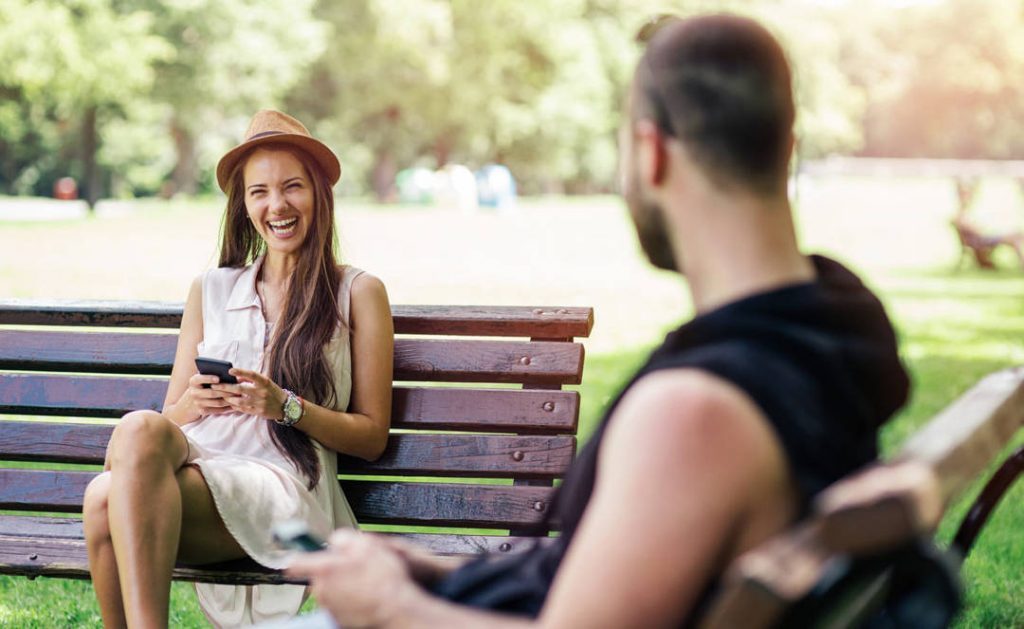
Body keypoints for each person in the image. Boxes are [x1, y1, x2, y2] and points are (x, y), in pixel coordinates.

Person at [287, 14, 910, 628]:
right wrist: (430, 569)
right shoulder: (830, 329)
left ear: (651, 152)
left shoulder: (696, 414)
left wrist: (390, 606)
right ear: (784, 148)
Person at [82, 110, 394, 627]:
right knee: (135, 434)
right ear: (243, 204)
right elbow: (169, 421)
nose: (277, 206)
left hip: (284, 488)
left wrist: (285, 406)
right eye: (259, 192)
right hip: (206, 463)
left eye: (292, 187)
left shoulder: (358, 292)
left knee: (103, 498)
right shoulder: (211, 289)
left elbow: (372, 436)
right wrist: (194, 401)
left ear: (319, 194)